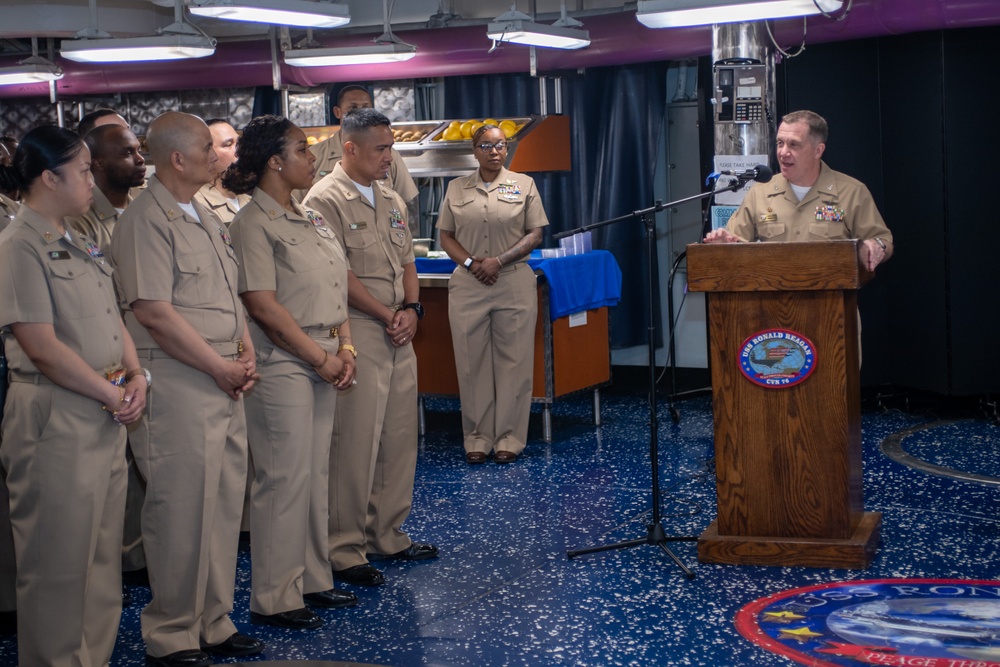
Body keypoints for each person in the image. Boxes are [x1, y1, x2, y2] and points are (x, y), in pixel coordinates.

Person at [110, 111, 263, 667]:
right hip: (179, 383)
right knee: (180, 512)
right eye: (208, 146)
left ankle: (213, 621)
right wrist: (220, 367)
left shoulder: (201, 212)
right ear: (177, 158)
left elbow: (228, 293)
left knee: (222, 507)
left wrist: (244, 351)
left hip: (223, 380)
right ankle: (173, 632)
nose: (218, 154)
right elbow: (153, 312)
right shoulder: (145, 220)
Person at [0, 124, 147, 667]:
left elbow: (113, 317)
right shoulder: (18, 246)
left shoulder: (77, 236)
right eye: (83, 170)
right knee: (57, 565)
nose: (92, 178)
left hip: (102, 408)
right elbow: (42, 347)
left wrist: (134, 377)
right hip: (55, 416)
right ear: (48, 177)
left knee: (100, 562)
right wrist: (113, 394)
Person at [224, 115, 359, 630]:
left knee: (312, 474)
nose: (312, 157)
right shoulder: (251, 223)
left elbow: (334, 284)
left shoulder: (309, 216)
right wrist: (321, 358)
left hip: (325, 351)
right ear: (274, 162)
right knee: (282, 477)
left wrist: (344, 346)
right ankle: (276, 595)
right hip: (285, 361)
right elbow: (263, 305)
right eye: (303, 150)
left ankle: (313, 578)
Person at [303, 108, 438, 589]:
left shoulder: (390, 196)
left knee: (399, 439)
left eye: (391, 146)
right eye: (380, 148)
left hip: (399, 329)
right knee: (355, 443)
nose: (389, 157)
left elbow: (407, 260)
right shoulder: (324, 199)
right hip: (358, 329)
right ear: (350, 148)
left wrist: (413, 309)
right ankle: (345, 546)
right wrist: (387, 315)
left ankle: (388, 533)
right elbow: (338, 273)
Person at [437, 124, 547, 464]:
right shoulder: (456, 188)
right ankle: (477, 438)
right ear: (474, 150)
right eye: (486, 145)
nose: (494, 152)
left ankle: (509, 439)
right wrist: (473, 263)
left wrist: (498, 260)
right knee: (472, 362)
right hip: (470, 283)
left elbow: (536, 234)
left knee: (514, 362)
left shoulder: (524, 184)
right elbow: (446, 237)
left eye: (500, 145)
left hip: (513, 279)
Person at [704, 110, 893, 272]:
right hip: (772, 307)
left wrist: (876, 246)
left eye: (794, 144)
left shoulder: (852, 192)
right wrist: (724, 245)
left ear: (818, 151)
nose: (783, 152)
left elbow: (882, 240)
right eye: (780, 143)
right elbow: (736, 244)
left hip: (833, 309)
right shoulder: (760, 193)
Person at [298, 84, 418, 209]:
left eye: (366, 108)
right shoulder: (314, 156)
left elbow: (403, 203)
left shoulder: (390, 156)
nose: (360, 113)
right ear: (337, 112)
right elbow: (295, 204)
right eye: (352, 108)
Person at [67, 123, 147, 251]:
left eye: (139, 151)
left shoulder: (144, 211)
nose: (140, 159)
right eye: (127, 153)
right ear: (98, 164)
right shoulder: (78, 220)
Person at [194, 119, 250, 226]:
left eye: (239, 143)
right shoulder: (197, 205)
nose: (239, 151)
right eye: (228, 145)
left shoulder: (251, 200)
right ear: (207, 153)